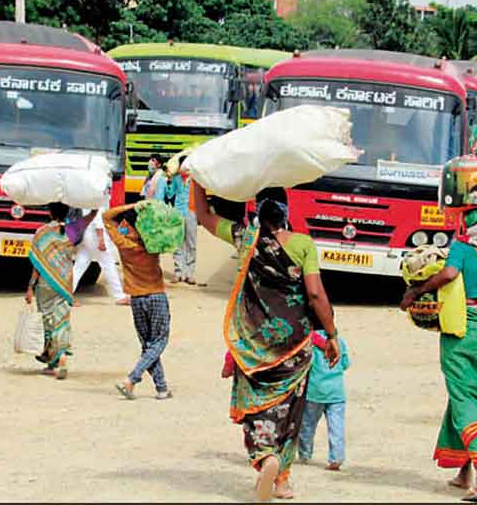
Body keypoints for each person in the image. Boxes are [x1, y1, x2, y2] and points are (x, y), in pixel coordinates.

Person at [194, 183, 340, 502]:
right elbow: (315, 294)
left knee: (256, 404)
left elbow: (203, 215)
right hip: (296, 344)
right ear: (286, 211)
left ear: (257, 211)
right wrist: (331, 335)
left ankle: (266, 457)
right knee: (291, 408)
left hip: (253, 344)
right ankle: (283, 479)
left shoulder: (246, 240)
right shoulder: (303, 244)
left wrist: (198, 180)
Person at [400, 207, 477, 498]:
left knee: (463, 396)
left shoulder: (462, 247)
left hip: (464, 328)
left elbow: (449, 273)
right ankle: (463, 472)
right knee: (472, 395)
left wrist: (416, 291)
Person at [104, 201, 173, 401]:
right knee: (158, 342)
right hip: (156, 295)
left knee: (148, 345)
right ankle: (132, 378)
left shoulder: (124, 244)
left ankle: (161, 388)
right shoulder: (154, 243)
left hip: (136, 298)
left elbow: (106, 216)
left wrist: (133, 206)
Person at [25, 203, 95, 380]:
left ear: (49, 212)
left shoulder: (41, 233)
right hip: (64, 283)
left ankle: (53, 362)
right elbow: (88, 219)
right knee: (62, 320)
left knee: (48, 321)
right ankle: (61, 356)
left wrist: (30, 287)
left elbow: (37, 263)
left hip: (45, 283)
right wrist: (94, 208)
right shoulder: (71, 231)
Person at [298, 330, 351, 471]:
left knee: (307, 425)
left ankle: (304, 454)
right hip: (336, 393)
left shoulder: (309, 343)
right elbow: (345, 364)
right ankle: (337, 458)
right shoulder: (339, 342)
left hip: (314, 392)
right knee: (337, 426)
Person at [72, 204, 130, 306]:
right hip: (95, 235)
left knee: (79, 266)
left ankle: (65, 294)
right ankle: (119, 296)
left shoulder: (85, 197)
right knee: (108, 264)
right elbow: (98, 219)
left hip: (85, 234)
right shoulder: (98, 195)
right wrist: (101, 239)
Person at [163, 155, 198, 285]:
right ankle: (178, 272)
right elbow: (170, 194)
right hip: (178, 212)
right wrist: (169, 182)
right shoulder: (176, 179)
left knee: (191, 243)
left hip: (191, 212)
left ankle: (189, 274)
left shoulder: (195, 180)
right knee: (178, 242)